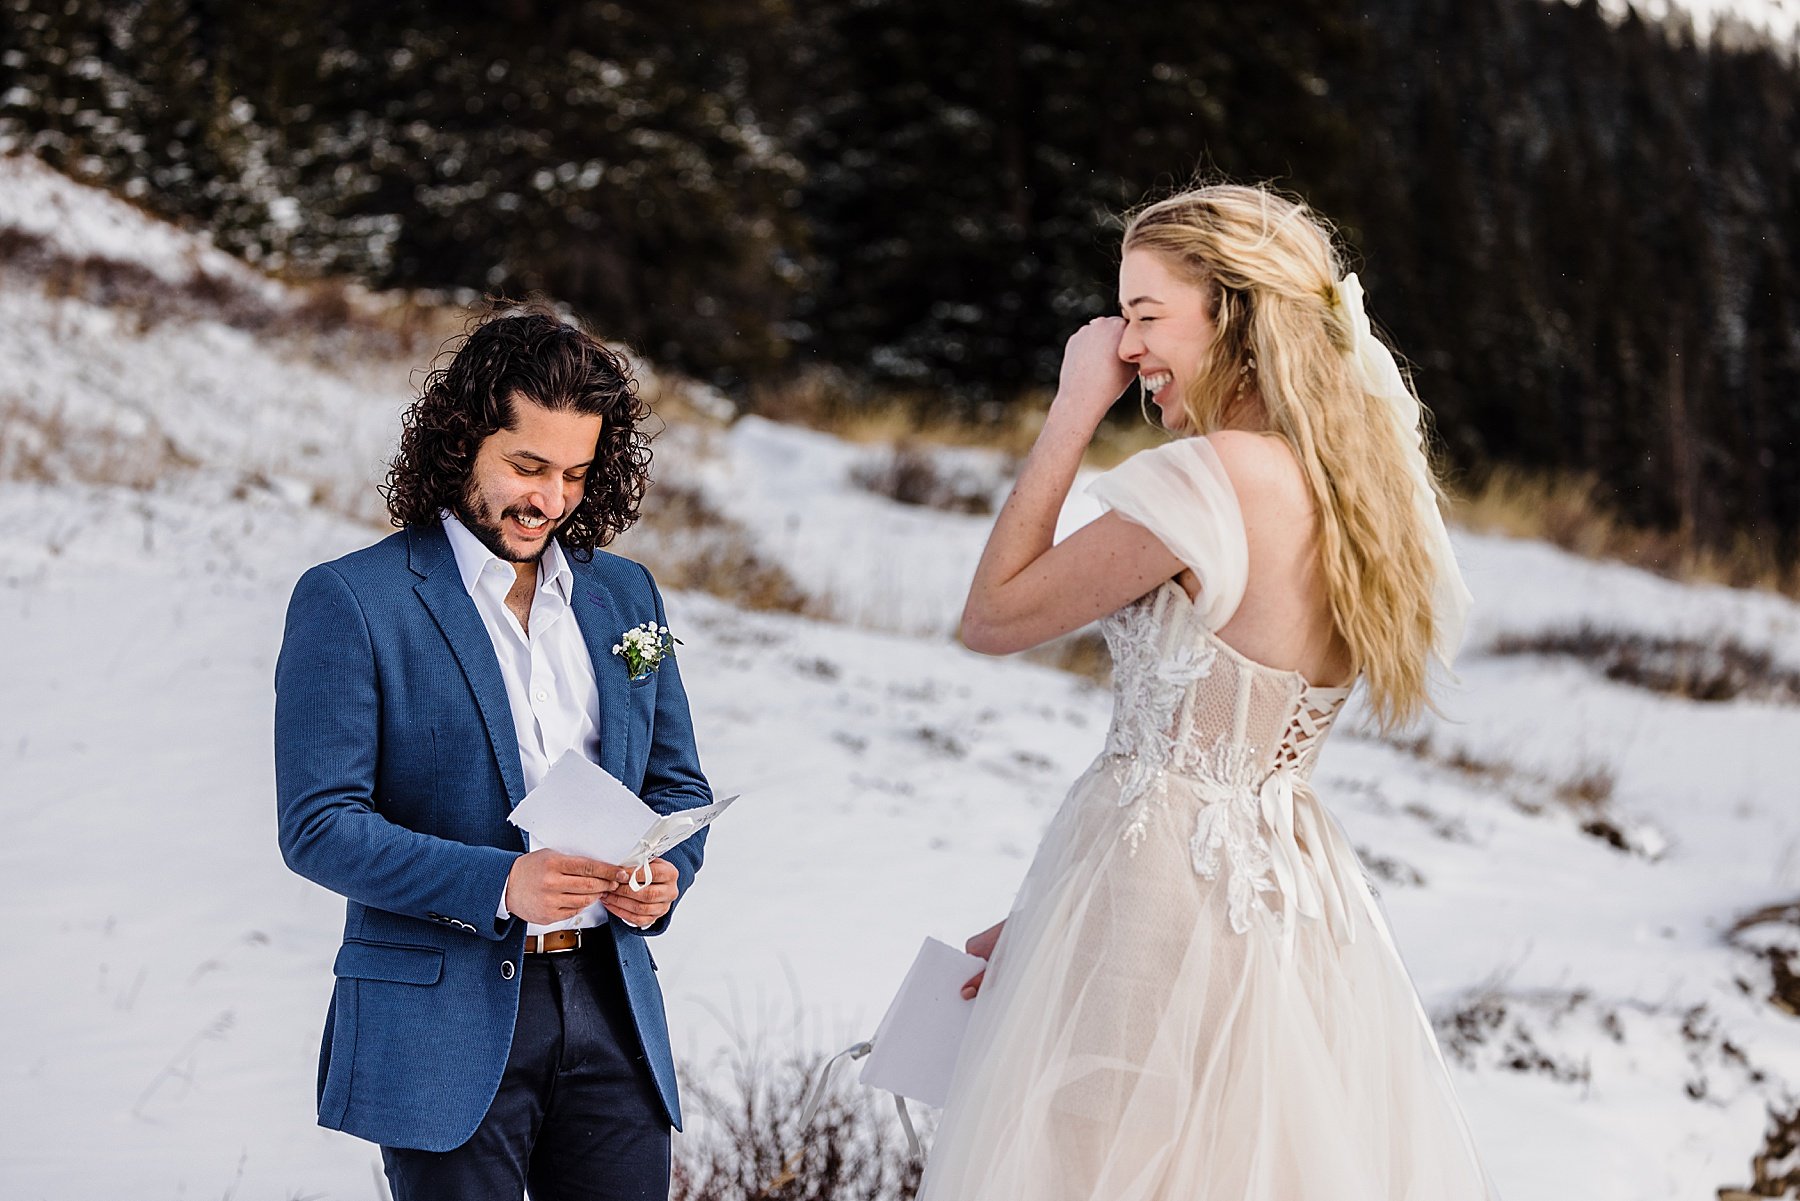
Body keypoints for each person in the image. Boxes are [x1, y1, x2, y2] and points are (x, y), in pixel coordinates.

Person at [919, 184, 1501, 1200]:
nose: (1125, 345)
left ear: (1231, 312)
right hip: (1285, 898)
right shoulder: (1347, 487)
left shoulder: (1208, 476)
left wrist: (1071, 411)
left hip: (1160, 898)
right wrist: (1058, 917)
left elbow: (994, 616)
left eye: (1145, 316)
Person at [274, 304, 712, 1201]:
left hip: (612, 1009)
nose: (549, 499)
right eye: (527, 465)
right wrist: (499, 884)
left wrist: (665, 871)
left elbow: (676, 781)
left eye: (576, 474)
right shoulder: (351, 601)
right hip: (442, 1026)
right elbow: (318, 826)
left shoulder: (626, 594)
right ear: (462, 438)